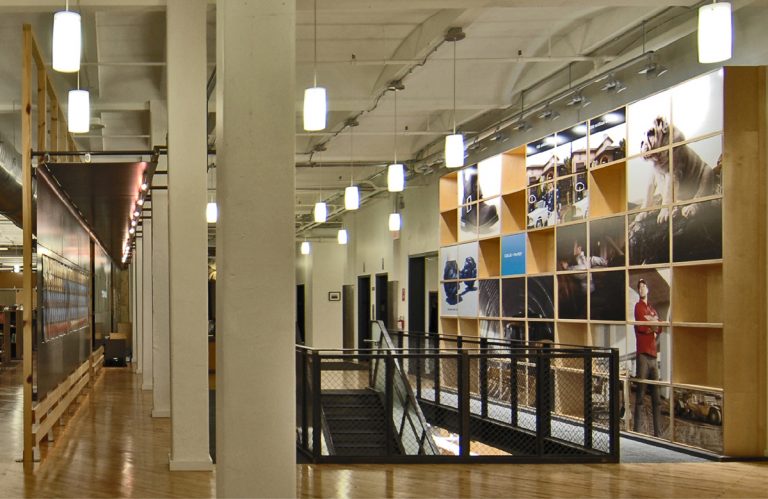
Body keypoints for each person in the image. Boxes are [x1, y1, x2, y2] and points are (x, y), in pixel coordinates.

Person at [633, 278, 662, 436]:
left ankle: (658, 434)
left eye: (644, 286)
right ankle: (637, 431)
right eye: (640, 287)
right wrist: (653, 325)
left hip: (653, 356)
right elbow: (642, 327)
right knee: (640, 395)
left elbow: (660, 327)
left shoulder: (652, 309)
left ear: (648, 289)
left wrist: (652, 324)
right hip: (643, 355)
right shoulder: (638, 307)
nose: (642, 289)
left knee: (656, 398)